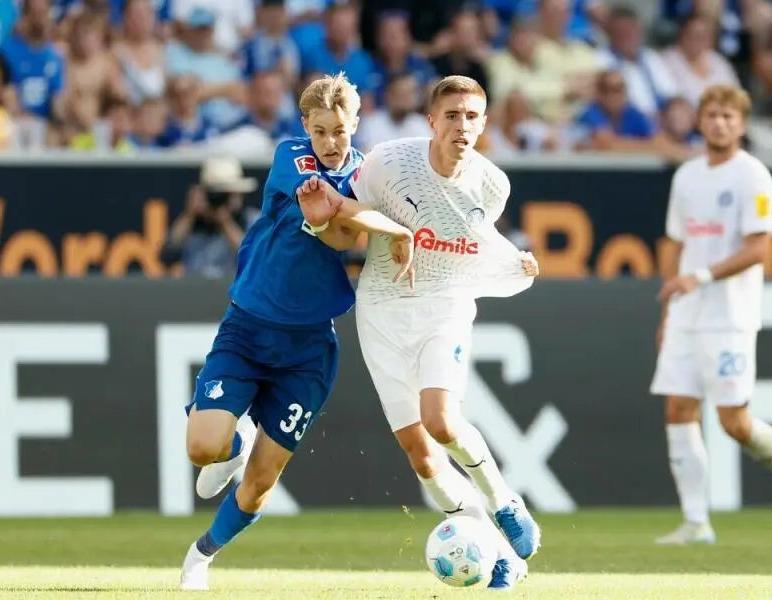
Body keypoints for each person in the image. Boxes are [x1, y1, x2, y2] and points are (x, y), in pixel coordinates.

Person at [296, 75, 541, 590]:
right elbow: (348, 220)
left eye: (472, 116)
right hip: (382, 309)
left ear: (484, 125)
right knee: (421, 454)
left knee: (442, 420)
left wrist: (513, 266)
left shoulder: (492, 185)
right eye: (451, 115)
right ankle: (499, 556)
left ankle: (504, 503)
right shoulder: (388, 162)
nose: (462, 126)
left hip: (443, 307)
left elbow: (475, 243)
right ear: (431, 122)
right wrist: (326, 223)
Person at [178, 72, 415, 591]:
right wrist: (391, 227)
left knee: (262, 483)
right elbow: (335, 217)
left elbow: (337, 236)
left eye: (341, 131)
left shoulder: (365, 176)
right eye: (321, 130)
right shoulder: (292, 158)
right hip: (249, 326)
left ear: (356, 124)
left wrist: (360, 220)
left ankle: (202, 554)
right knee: (202, 447)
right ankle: (233, 443)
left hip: (308, 348)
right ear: (305, 126)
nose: (331, 142)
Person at [651, 84, 772, 545]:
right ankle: (696, 522)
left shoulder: (753, 178)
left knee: (734, 423)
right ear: (700, 120)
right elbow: (675, 241)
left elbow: (758, 249)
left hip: (729, 315)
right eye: (711, 115)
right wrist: (670, 309)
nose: (719, 123)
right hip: (687, 314)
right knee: (678, 409)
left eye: (728, 117)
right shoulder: (687, 176)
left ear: (741, 124)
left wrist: (702, 278)